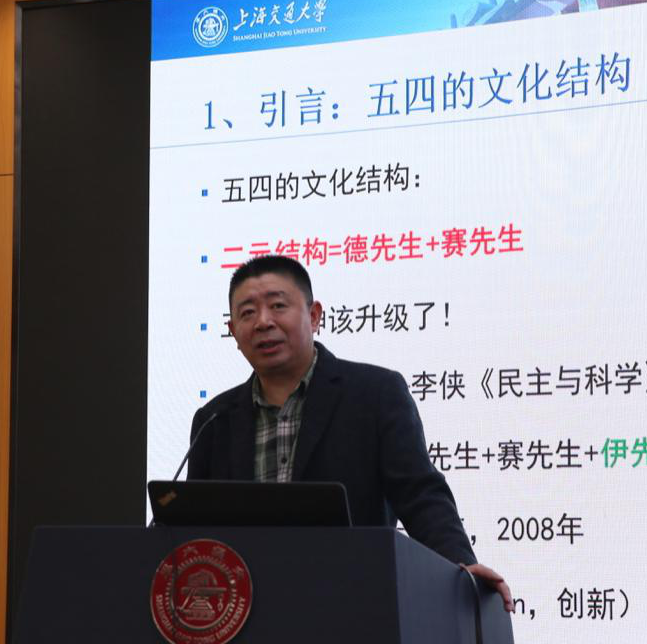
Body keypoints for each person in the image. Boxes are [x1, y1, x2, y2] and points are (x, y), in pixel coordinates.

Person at [187, 255, 513, 611]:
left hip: (353, 607)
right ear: (233, 331)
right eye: (247, 313)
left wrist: (459, 565)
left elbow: (419, 493)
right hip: (244, 615)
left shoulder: (374, 394)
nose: (263, 322)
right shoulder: (214, 419)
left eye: (278, 306)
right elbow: (193, 527)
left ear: (314, 315)